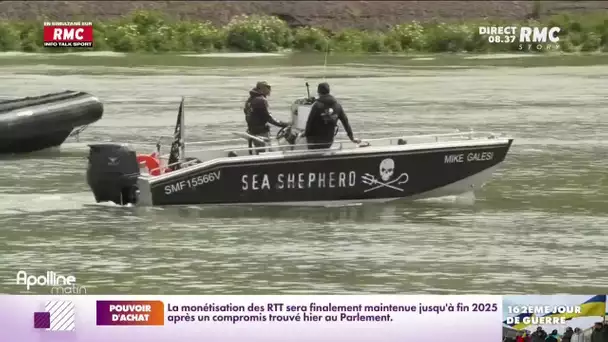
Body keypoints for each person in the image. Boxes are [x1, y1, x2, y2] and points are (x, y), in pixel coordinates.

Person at [303, 82, 360, 150]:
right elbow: (345, 122)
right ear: (329, 91)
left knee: (301, 138)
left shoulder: (317, 105)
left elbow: (309, 122)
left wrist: (305, 134)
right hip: (328, 141)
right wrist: (352, 138)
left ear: (319, 92)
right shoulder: (338, 106)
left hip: (314, 142)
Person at [243, 81, 288, 154]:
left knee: (259, 151)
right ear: (262, 88)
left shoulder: (250, 100)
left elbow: (247, 113)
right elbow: (268, 118)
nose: (270, 90)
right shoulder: (260, 100)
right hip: (261, 132)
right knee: (264, 153)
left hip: (252, 131)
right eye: (268, 87)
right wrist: (284, 124)